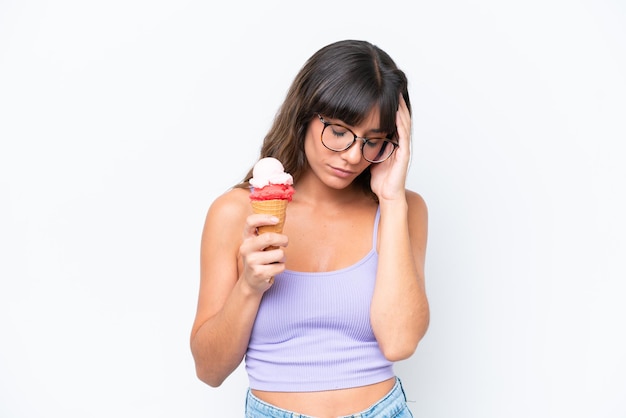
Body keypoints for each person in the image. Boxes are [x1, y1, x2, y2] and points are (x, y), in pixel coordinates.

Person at [190, 39, 429, 417]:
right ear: (305, 114)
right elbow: (209, 370)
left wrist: (393, 201)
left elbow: (399, 343)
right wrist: (248, 288)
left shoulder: (402, 208)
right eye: (339, 131)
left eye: (373, 141)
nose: (353, 156)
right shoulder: (236, 212)